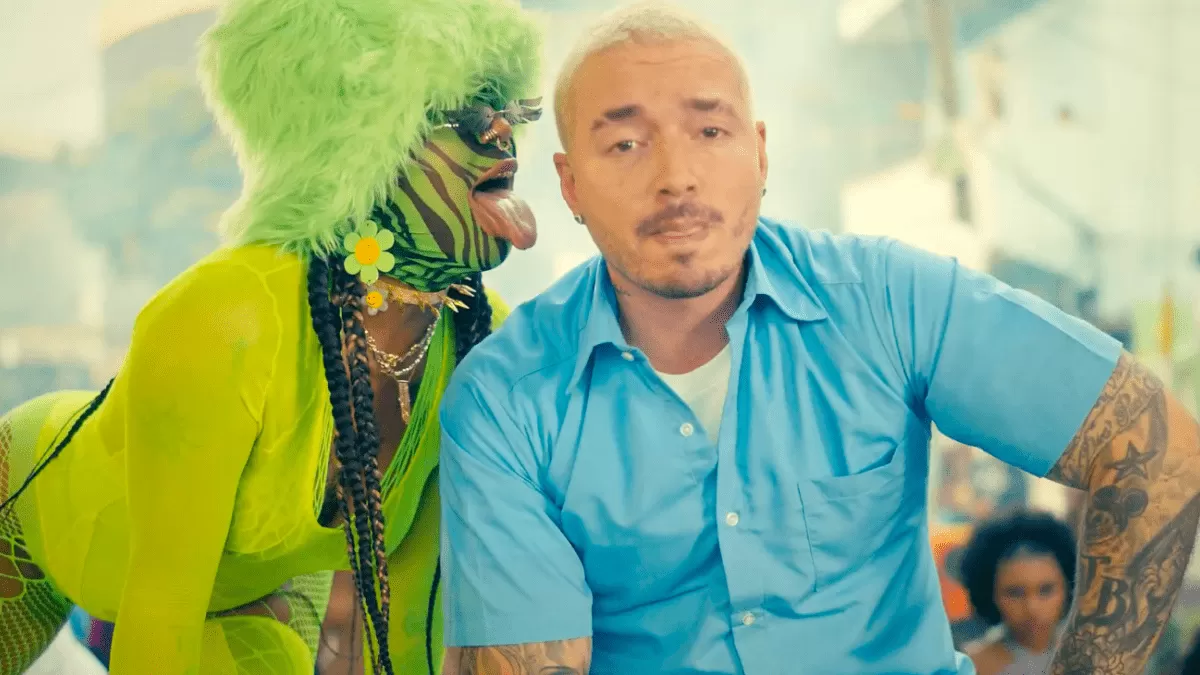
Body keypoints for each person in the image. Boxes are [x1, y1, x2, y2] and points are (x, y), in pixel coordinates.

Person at [436, 2, 1200, 674]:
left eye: (710, 130)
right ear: (570, 183)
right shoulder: (507, 398)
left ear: (760, 153)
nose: (677, 176)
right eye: (626, 144)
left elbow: (1156, 442)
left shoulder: (887, 300)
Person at [0, 0, 542, 672]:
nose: (501, 133)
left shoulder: (481, 338)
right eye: (464, 113)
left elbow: (410, 622)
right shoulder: (226, 316)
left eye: (507, 108)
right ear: (352, 142)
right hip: (40, 521)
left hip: (258, 580)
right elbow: (157, 615)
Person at [959, 510, 1076, 675]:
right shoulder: (970, 667)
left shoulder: (1091, 655)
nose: (1032, 608)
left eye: (1046, 590)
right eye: (1015, 593)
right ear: (990, 594)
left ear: (1069, 587)